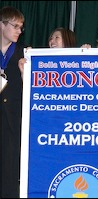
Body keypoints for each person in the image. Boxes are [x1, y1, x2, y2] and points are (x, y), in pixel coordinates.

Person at [0, 6, 28, 198]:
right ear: (2, 25)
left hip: (11, 121)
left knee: (9, 171)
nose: (19, 31)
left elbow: (33, 90)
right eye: (15, 26)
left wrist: (24, 73)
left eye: (21, 27)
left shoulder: (23, 55)